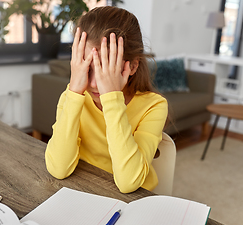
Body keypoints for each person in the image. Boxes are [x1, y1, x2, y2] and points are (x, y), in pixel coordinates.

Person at [45, 6, 168, 193]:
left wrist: (111, 99)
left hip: (135, 199)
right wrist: (75, 92)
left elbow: (129, 183)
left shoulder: (154, 106)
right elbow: (58, 169)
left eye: (105, 69)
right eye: (87, 68)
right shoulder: (73, 96)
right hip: (88, 189)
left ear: (132, 67)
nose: (94, 83)